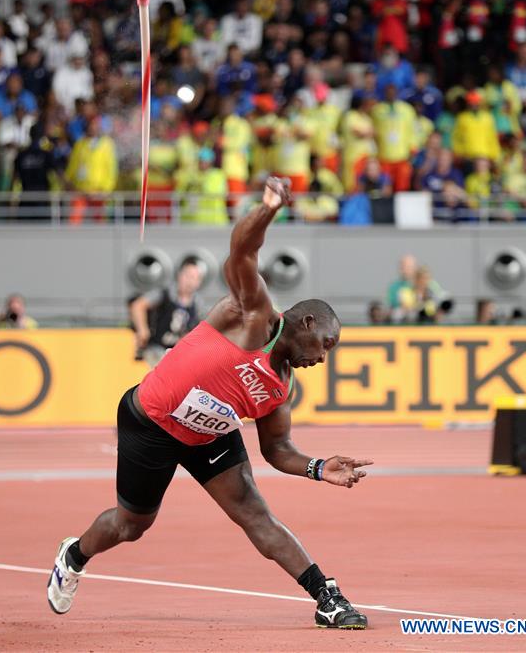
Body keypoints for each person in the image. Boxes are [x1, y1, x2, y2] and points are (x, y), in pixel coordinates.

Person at [47, 177, 371, 630]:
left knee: (254, 512)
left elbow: (277, 451)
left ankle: (326, 595)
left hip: (208, 436)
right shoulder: (253, 315)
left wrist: (318, 467)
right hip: (151, 423)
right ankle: (74, 555)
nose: (321, 358)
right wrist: (269, 209)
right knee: (131, 525)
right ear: (308, 322)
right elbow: (242, 253)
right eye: (325, 345)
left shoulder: (281, 387)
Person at [129, 258, 203, 366]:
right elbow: (138, 305)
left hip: (177, 353)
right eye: (188, 276)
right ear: (180, 276)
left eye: (195, 278)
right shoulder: (164, 294)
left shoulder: (197, 304)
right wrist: (142, 330)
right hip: (156, 349)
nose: (190, 282)